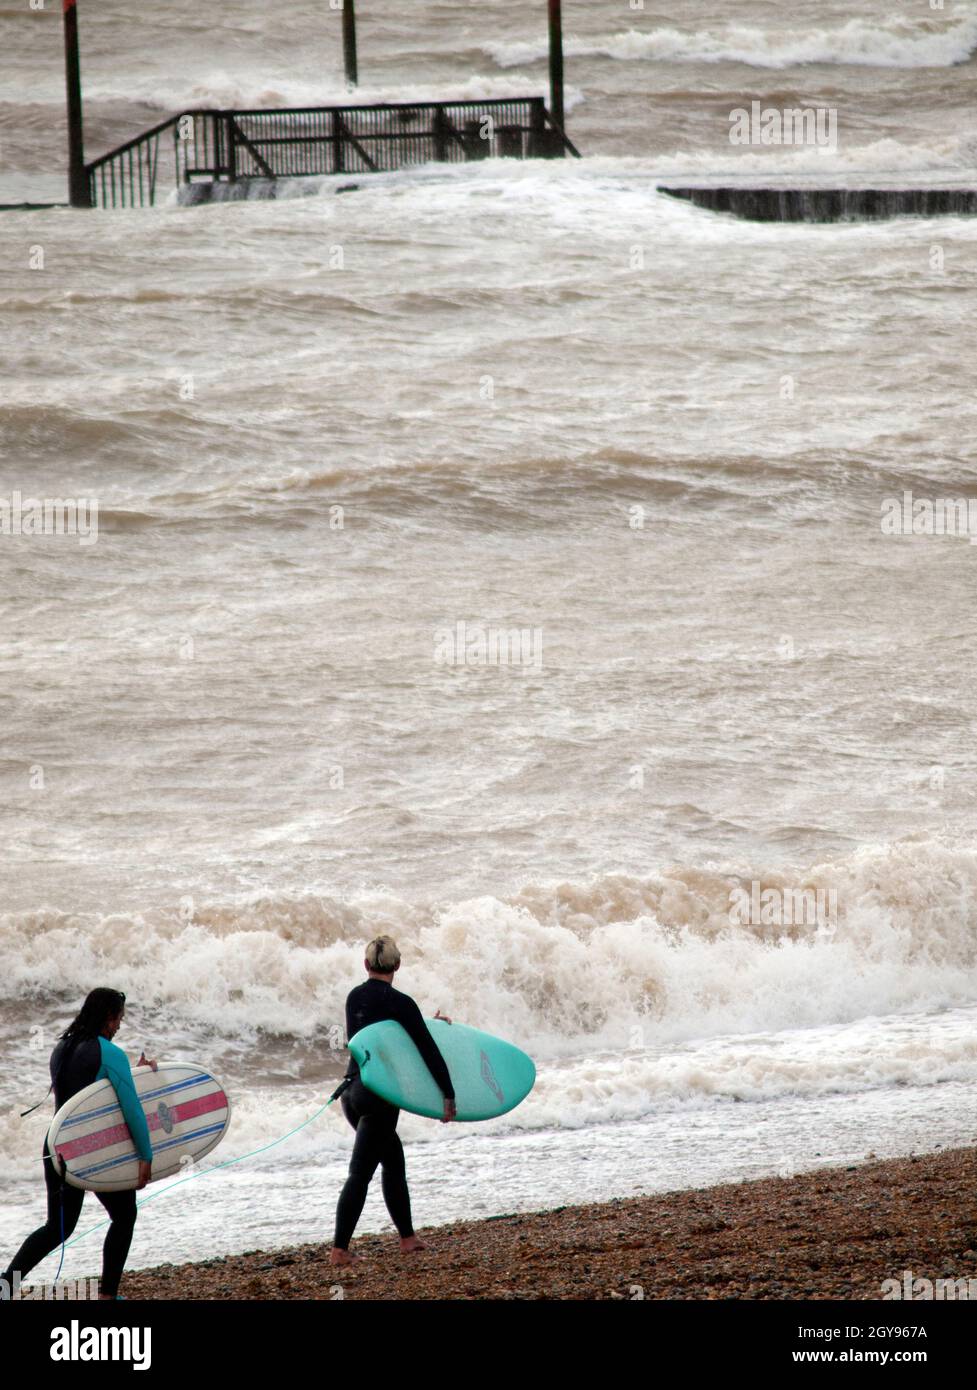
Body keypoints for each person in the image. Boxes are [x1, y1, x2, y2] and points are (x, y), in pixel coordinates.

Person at [1, 988, 156, 1301]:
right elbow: (130, 1107)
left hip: (57, 1145)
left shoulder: (61, 1047)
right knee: (124, 1216)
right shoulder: (109, 1053)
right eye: (118, 1018)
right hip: (93, 1149)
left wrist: (132, 1072)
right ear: (107, 1017)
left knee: (56, 1228)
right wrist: (145, 1155)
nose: (119, 1025)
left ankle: (4, 1287)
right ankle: (107, 1295)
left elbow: (88, 1093)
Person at [331, 936, 455, 1265]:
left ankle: (408, 1238)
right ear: (397, 965)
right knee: (360, 1173)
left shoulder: (354, 997)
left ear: (366, 965)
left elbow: (382, 1035)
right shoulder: (401, 1003)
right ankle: (339, 1250)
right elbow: (425, 1048)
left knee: (392, 1160)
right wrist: (448, 1094)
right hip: (379, 1097)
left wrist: (427, 1023)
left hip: (352, 1091)